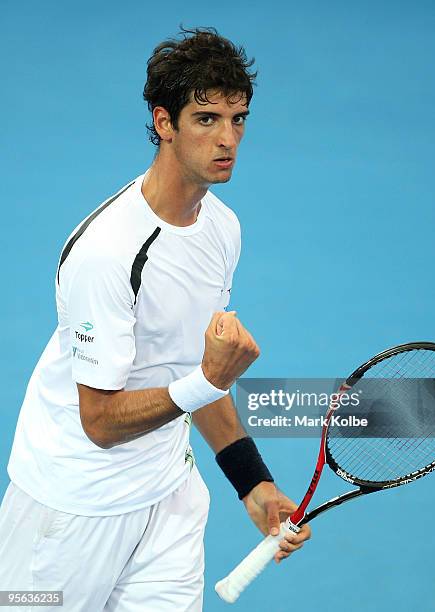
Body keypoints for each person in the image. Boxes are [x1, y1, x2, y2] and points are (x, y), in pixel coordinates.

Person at [0, 27, 310, 611]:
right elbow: (99, 420)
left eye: (238, 119)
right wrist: (208, 380)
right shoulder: (106, 253)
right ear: (164, 122)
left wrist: (252, 481)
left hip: (168, 499)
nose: (228, 139)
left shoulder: (222, 229)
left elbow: (190, 366)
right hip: (70, 510)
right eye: (206, 118)